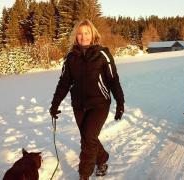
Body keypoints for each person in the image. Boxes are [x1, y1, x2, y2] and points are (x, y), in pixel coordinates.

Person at [49, 19, 125, 180]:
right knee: (88, 138)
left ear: (93, 34)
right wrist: (55, 104)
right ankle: (102, 158)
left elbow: (113, 80)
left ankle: (84, 175)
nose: (83, 37)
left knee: (88, 139)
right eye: (80, 34)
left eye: (86, 33)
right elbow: (64, 83)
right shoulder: (70, 57)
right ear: (75, 36)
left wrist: (120, 103)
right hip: (79, 105)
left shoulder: (103, 54)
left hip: (100, 104)